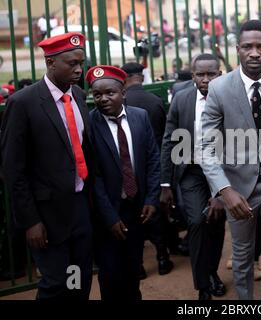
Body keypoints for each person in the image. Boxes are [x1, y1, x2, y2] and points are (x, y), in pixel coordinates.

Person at [200, 20, 261, 300]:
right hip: (237, 190)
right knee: (242, 258)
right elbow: (206, 146)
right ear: (237, 49)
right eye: (247, 46)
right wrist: (224, 190)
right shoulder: (219, 88)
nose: (254, 52)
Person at [0, 32, 95, 300]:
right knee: (55, 285)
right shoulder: (23, 102)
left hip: (80, 208)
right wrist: (31, 221)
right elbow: (13, 169)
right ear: (50, 62)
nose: (78, 69)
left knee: (79, 278)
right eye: (71, 63)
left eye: (81, 62)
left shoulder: (77, 94)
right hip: (45, 216)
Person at [87, 65, 161, 301]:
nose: (103, 99)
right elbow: (94, 177)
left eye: (110, 92)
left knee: (132, 269)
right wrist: (109, 218)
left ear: (123, 92)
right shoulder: (89, 125)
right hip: (107, 215)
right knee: (110, 274)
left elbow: (152, 159)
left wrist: (151, 199)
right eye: (97, 94)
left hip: (136, 209)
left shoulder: (140, 116)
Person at [160, 53, 226, 300]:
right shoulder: (181, 99)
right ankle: (203, 286)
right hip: (191, 170)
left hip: (221, 170)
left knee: (217, 221)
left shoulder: (231, 98)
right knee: (197, 222)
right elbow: (169, 139)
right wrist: (165, 183)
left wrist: (221, 191)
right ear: (193, 75)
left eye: (211, 74)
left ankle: (212, 272)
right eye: (200, 74)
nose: (205, 79)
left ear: (220, 74)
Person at [120, 62, 176, 277]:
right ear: (141, 76)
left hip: (128, 165)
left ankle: (140, 266)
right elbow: (164, 133)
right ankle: (163, 259)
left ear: (124, 78)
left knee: (132, 217)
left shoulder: (123, 100)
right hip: (154, 164)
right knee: (155, 213)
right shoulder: (154, 100)